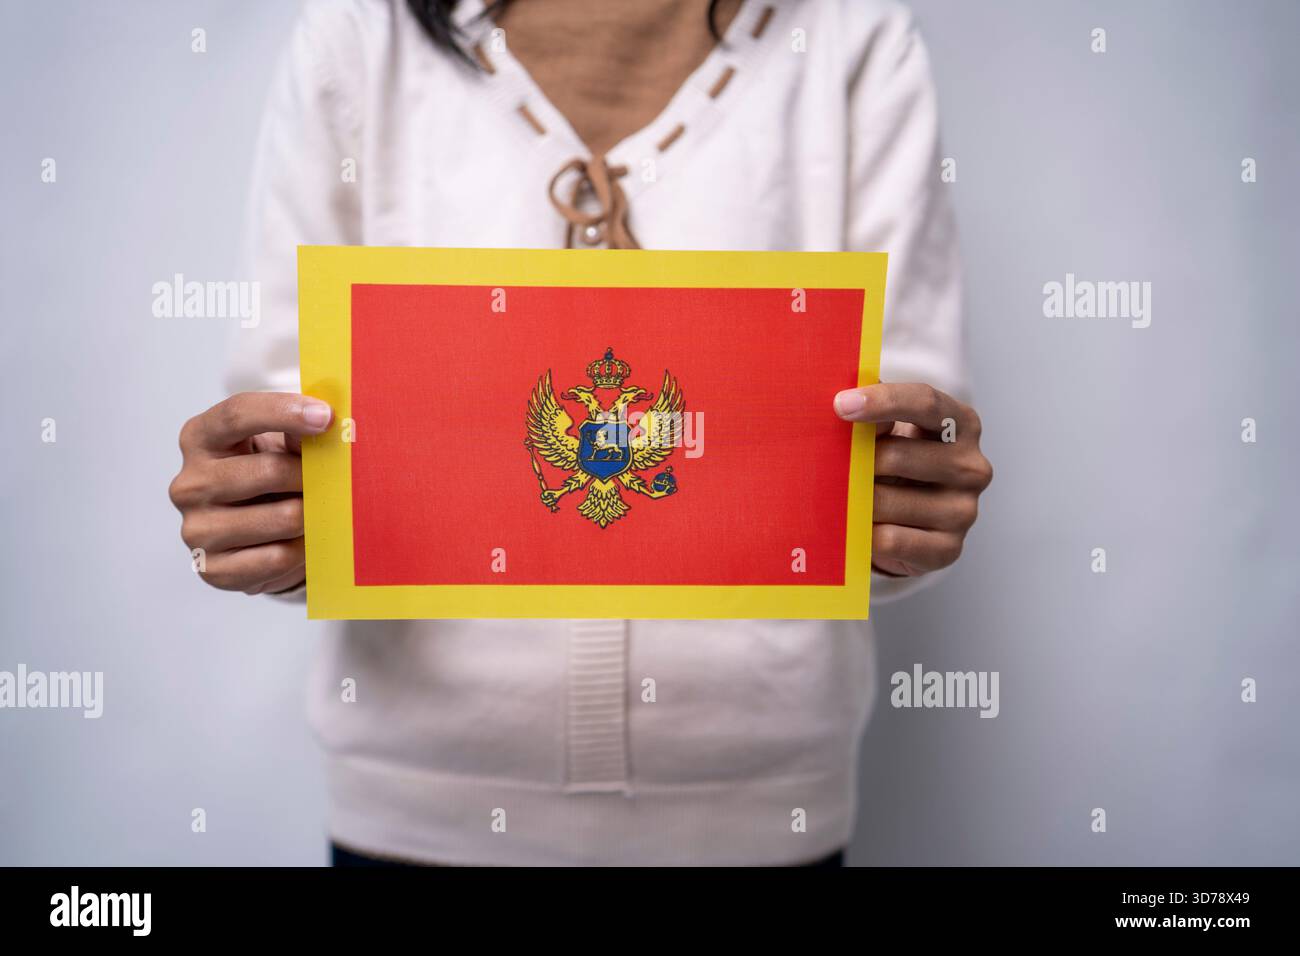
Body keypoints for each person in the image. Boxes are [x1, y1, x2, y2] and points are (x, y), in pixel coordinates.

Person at [167, 0, 993, 866]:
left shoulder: (850, 33)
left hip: (761, 810)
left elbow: (904, 427)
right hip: (413, 808)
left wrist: (909, 504)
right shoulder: (357, 34)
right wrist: (268, 517)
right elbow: (286, 415)